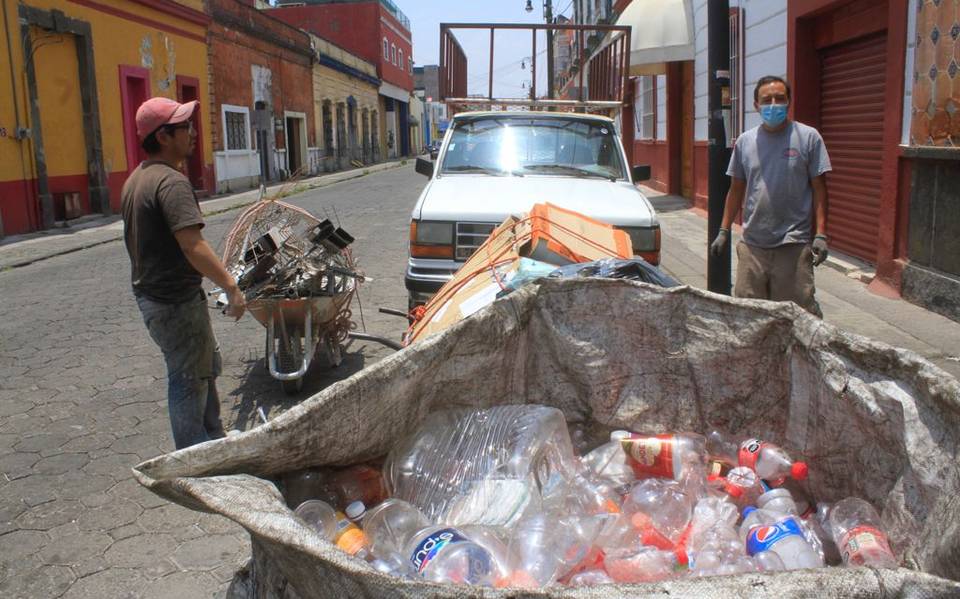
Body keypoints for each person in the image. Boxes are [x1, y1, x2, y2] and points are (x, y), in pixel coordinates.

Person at [121, 97, 246, 449]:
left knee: (203, 366)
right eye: (184, 127)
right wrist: (231, 286)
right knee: (188, 378)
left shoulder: (137, 179)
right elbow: (192, 245)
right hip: (174, 303)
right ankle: (194, 456)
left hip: (156, 298)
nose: (192, 133)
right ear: (163, 136)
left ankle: (214, 439)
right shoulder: (171, 183)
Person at [710, 75, 831, 317]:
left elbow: (819, 189)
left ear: (788, 102)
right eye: (767, 100)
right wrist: (723, 231)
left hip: (793, 245)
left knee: (796, 316)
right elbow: (736, 189)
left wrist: (821, 234)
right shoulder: (745, 142)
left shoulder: (809, 137)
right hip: (753, 245)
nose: (773, 104)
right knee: (748, 314)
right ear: (756, 105)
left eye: (780, 98)